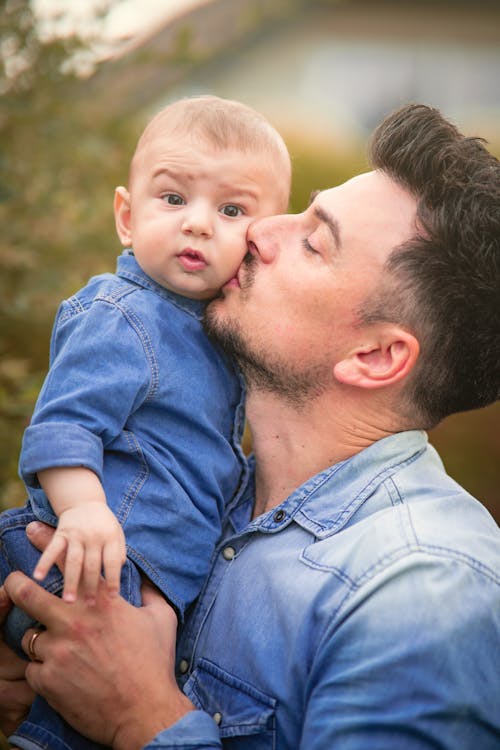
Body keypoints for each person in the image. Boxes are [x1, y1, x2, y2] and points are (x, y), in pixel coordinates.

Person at [1, 103, 500, 749]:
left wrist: (141, 718)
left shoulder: (424, 589)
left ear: (375, 357)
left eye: (314, 240)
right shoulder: (202, 482)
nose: (260, 231)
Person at [0, 95, 291, 750]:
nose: (197, 225)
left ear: (260, 245)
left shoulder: (215, 337)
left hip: (145, 568)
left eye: (232, 210)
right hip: (92, 556)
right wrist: (83, 512)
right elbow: (65, 425)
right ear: (126, 218)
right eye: (173, 199)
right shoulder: (123, 315)